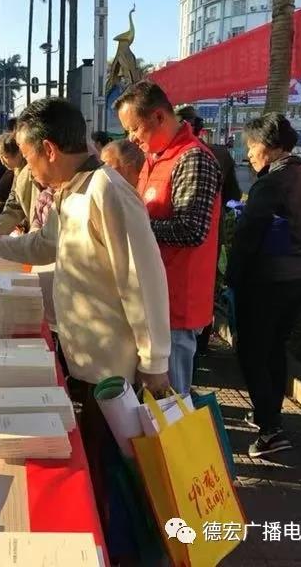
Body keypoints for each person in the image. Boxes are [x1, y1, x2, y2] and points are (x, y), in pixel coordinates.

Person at [0, 99, 170, 553]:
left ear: (49, 149)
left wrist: (155, 361)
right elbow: (45, 245)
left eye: (28, 156)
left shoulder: (107, 190)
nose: (27, 169)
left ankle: (124, 549)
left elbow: (143, 279)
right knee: (96, 458)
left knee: (117, 467)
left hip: (114, 369)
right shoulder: (69, 192)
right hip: (85, 357)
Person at [115, 80, 223, 395]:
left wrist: (132, 227)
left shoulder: (193, 159)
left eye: (134, 129)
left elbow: (191, 229)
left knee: (170, 402)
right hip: (153, 298)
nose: (131, 138)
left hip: (175, 305)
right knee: (152, 401)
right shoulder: (154, 159)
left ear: (159, 117)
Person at [226, 114, 301, 458]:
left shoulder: (271, 183)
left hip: (267, 282)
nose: (249, 154)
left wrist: (231, 278)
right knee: (274, 349)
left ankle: (270, 430)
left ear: (269, 146)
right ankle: (268, 415)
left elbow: (247, 238)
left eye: (251, 146)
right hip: (299, 277)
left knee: (253, 352)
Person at [176, 105, 242, 361]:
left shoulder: (184, 155)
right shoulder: (219, 153)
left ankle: (193, 352)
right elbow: (234, 194)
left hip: (179, 245)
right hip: (212, 237)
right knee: (205, 290)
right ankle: (200, 346)